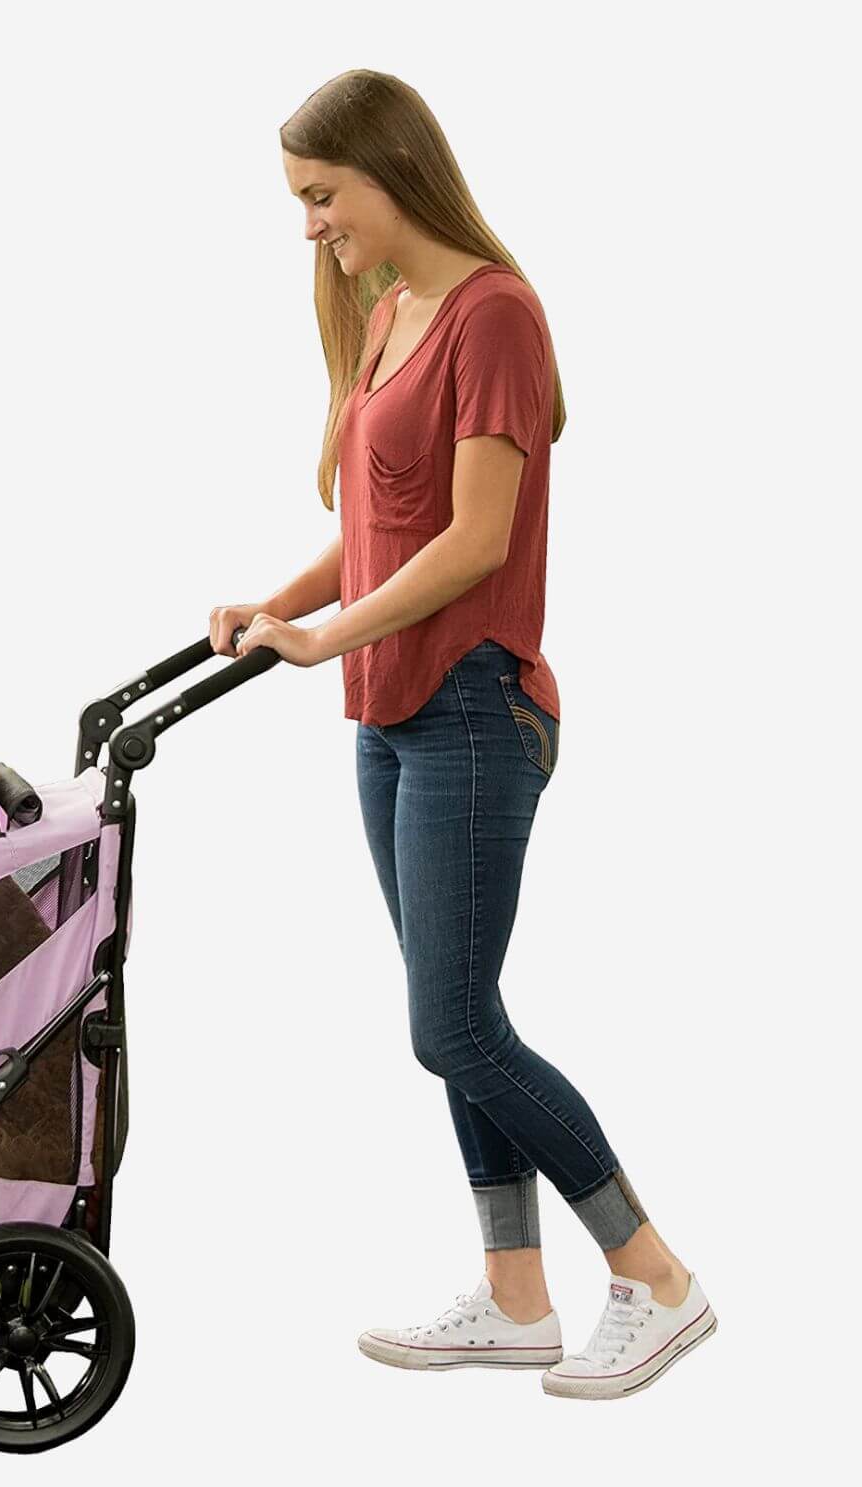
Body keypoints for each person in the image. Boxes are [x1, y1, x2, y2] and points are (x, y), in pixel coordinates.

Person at [210, 70, 715, 1400]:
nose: (309, 225)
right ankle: (515, 1301)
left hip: (476, 710)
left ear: (392, 171)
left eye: (321, 196)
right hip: (388, 715)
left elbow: (477, 539)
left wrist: (331, 634)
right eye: (299, 202)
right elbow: (378, 525)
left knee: (452, 1029)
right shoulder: (388, 316)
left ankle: (656, 1278)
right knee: (460, 1015)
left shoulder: (497, 315)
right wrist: (282, 603)